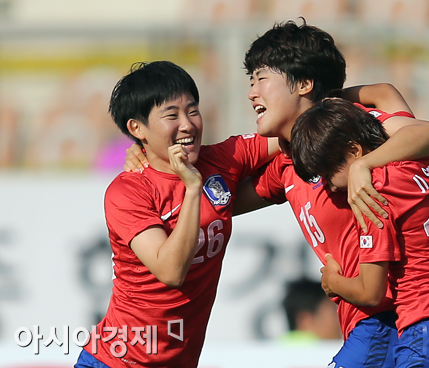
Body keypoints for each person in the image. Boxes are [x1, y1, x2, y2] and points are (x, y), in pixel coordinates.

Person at [124, 20, 429, 367]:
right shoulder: (287, 163)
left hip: (396, 321)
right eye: (251, 81)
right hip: (366, 323)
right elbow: (217, 205)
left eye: (261, 78)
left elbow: (423, 129)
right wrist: (155, 160)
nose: (251, 92)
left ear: (303, 84)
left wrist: (358, 159)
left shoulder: (359, 136)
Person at [74, 61, 280, 368]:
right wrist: (193, 188)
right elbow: (171, 271)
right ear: (136, 128)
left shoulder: (222, 159)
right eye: (172, 115)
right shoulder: (128, 192)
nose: (188, 124)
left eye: (193, 110)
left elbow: (294, 132)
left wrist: (371, 100)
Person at [289, 98, 429, 368]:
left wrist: (333, 282)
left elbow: (370, 292)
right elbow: (389, 96)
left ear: (354, 151)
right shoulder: (421, 155)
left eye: (328, 173)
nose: (328, 186)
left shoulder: (372, 193)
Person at [281, 278, 342, 342]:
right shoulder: (322, 350)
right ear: (305, 319)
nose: (341, 318)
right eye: (334, 311)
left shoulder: (275, 347)